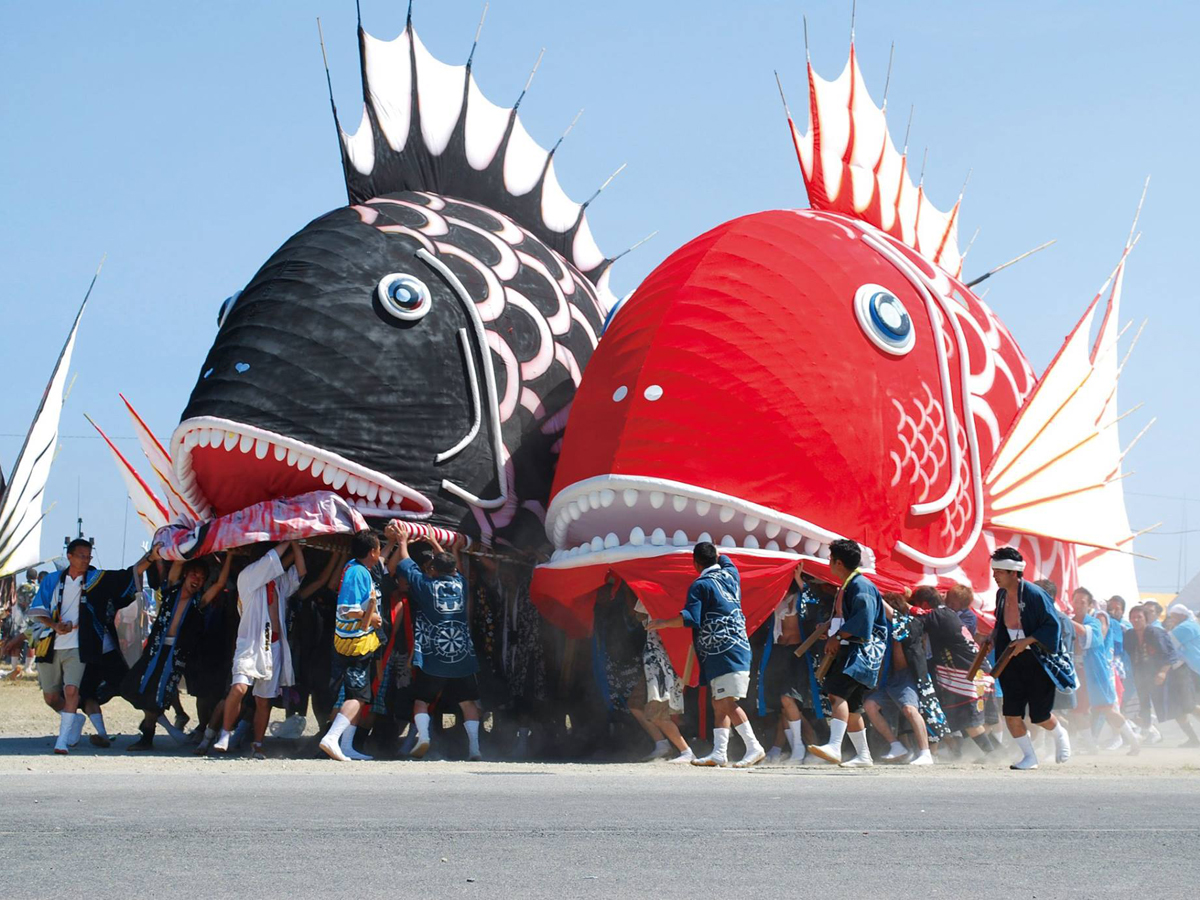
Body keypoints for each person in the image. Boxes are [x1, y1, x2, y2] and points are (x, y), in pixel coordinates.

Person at [27, 540, 156, 754]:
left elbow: (126, 575)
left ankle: (62, 742)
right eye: (81, 556)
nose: (86, 560)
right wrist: (55, 625)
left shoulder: (95, 579)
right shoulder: (52, 580)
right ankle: (76, 721)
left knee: (72, 691)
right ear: (69, 556)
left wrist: (151, 557)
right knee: (51, 697)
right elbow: (37, 611)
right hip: (50, 644)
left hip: (80, 645)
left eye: (88, 556)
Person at [648, 542, 764, 768]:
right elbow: (725, 558)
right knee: (718, 700)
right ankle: (720, 752)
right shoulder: (731, 574)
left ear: (695, 564)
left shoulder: (700, 585)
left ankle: (753, 746)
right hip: (735, 647)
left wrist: (663, 622)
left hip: (724, 651)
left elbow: (691, 618)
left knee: (727, 702)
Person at [393, 524, 483, 761]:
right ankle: (475, 748)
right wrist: (435, 543)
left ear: (433, 569)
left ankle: (423, 738)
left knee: (422, 700)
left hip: (434, 654)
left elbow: (405, 563)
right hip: (462, 653)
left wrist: (402, 541)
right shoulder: (462, 584)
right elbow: (453, 565)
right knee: (468, 702)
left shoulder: (425, 585)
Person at [122, 556, 229, 749]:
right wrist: (187, 545)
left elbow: (220, 583)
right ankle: (161, 725)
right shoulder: (171, 591)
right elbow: (178, 563)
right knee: (131, 686)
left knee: (158, 695)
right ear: (186, 574)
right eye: (194, 574)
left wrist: (228, 556)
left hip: (176, 657)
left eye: (202, 577)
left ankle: (148, 736)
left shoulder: (199, 602)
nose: (197, 579)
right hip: (155, 650)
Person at [212, 541, 305, 758]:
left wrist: (296, 545)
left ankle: (258, 744)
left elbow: (301, 572)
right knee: (239, 688)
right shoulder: (247, 577)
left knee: (264, 700)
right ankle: (225, 732)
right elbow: (271, 559)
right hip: (250, 644)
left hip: (273, 646)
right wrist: (287, 539)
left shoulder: (279, 582)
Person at [989, 547, 1076, 770]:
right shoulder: (1000, 595)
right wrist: (991, 638)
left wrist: (1026, 641)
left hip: (1037, 660)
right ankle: (1030, 757)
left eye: (999, 571)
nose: (994, 575)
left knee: (1039, 715)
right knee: (1011, 713)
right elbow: (1002, 624)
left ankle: (1060, 733)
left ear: (1012, 573)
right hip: (1011, 659)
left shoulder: (1036, 595)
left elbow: (1052, 625)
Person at [806, 539, 889, 768]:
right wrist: (830, 630)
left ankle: (834, 746)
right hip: (852, 649)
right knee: (852, 707)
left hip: (859, 653)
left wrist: (839, 636)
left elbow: (863, 620)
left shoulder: (860, 586)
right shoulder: (851, 584)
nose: (828, 563)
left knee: (836, 694)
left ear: (838, 562)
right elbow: (851, 619)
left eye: (830, 559)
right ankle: (863, 756)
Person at [319, 530, 383, 761]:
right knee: (358, 697)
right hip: (356, 644)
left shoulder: (355, 567)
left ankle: (346, 746)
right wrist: (372, 617)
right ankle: (332, 738)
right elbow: (346, 609)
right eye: (378, 548)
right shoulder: (358, 573)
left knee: (357, 694)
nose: (379, 553)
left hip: (354, 642)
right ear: (372, 551)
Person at [914, 586, 1000, 758]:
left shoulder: (941, 615)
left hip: (970, 675)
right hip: (979, 672)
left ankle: (992, 755)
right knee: (976, 717)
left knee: (969, 719)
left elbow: (913, 622)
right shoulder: (951, 615)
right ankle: (994, 753)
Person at [864, 591, 934, 765]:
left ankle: (926, 753)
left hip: (909, 677)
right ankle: (896, 746)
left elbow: (896, 619)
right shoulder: (881, 628)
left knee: (910, 710)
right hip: (891, 679)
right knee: (870, 705)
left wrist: (872, 593)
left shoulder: (912, 624)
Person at [1069, 588, 1140, 754]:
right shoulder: (1071, 620)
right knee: (1078, 711)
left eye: (1083, 602)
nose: (1078, 605)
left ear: (1089, 605)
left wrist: (1068, 621)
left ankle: (1134, 741)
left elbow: (1095, 638)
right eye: (1076, 601)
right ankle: (1091, 747)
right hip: (1079, 671)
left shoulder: (1095, 620)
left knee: (1107, 709)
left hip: (1096, 671)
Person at [1127, 604, 1198, 746]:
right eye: (1133, 617)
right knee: (1176, 709)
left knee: (1188, 706)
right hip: (1154, 676)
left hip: (1176, 673)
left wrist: (1162, 672)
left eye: (1139, 617)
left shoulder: (1156, 632)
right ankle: (1194, 739)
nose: (1136, 620)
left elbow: (1170, 654)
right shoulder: (1131, 635)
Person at [1164, 604, 1200, 745]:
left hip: (1189, 670)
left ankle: (1193, 739)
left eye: (1173, 616)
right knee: (1180, 707)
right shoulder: (1192, 625)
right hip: (1183, 670)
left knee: (1188, 705)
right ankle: (1192, 739)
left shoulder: (1184, 628)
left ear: (1180, 616)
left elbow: (1165, 643)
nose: (1171, 619)